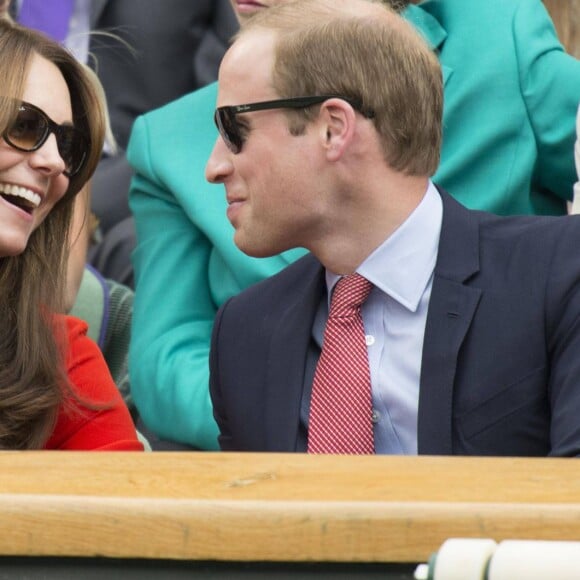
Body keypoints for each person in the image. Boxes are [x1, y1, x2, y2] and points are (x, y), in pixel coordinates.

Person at [127, 0, 580, 450]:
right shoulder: (243, 336)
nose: (212, 167)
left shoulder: (559, 277)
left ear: (333, 128)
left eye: (234, 129)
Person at [0, 17, 143, 450]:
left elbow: (133, 513)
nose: (54, 163)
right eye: (24, 125)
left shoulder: (61, 362)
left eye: (68, 146)